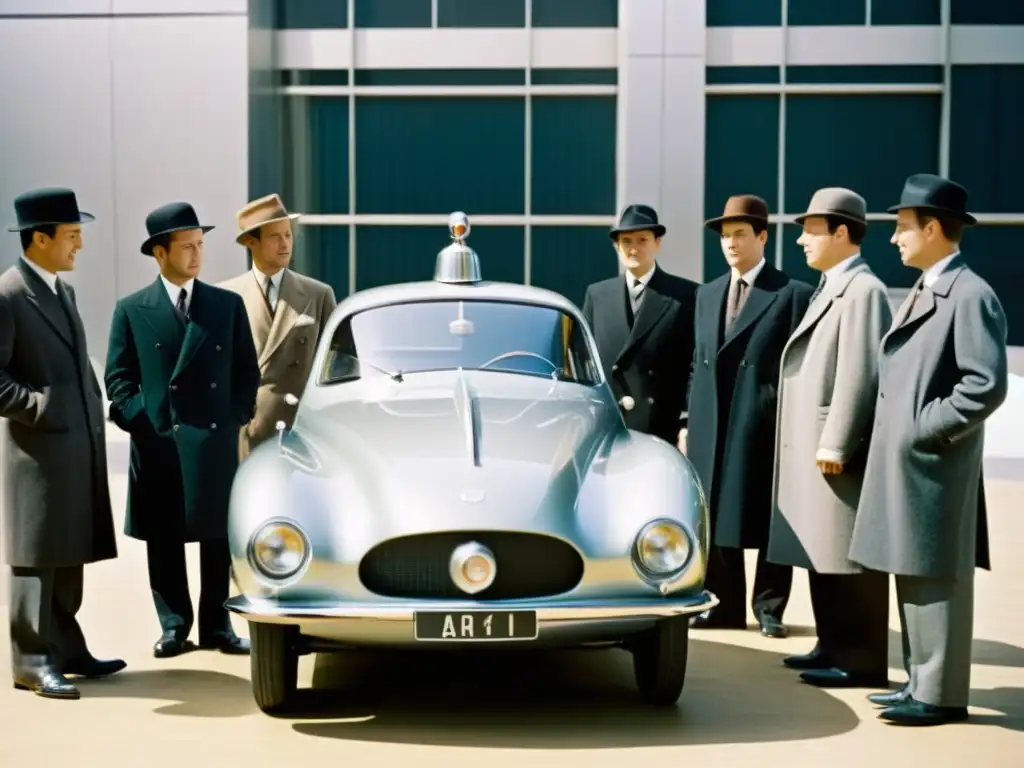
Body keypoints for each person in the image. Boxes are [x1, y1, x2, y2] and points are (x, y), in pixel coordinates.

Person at [849, 173, 1007, 726]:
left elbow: (984, 383)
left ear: (933, 228)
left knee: (936, 577)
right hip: (914, 466)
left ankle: (940, 695)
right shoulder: (929, 287)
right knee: (912, 570)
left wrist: (922, 429)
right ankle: (920, 682)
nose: (893, 238)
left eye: (902, 228)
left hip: (934, 464)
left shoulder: (970, 294)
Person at [104, 202, 260, 658]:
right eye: (187, 247)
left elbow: (246, 372)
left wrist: (235, 415)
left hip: (213, 437)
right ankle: (174, 625)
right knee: (164, 535)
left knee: (216, 537)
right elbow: (119, 378)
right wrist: (144, 421)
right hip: (158, 441)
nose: (197, 255)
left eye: (201, 245)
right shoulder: (132, 308)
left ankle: (218, 625)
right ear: (159, 252)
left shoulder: (225, 305)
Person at [0, 187, 123, 699]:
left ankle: (67, 648)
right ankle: (31, 661)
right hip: (37, 452)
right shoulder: (8, 294)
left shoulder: (60, 290)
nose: (79, 246)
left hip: (74, 447)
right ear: (40, 238)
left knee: (67, 551)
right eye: (72, 235)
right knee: (36, 559)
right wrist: (40, 408)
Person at [766, 188, 892, 688]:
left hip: (833, 450)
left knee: (844, 555)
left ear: (841, 232)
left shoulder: (864, 291)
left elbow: (861, 372)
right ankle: (831, 642)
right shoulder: (832, 285)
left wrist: (837, 442)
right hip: (815, 447)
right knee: (823, 550)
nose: (800, 240)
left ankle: (858, 657)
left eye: (810, 230)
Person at [685, 194, 814, 638]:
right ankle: (723, 605)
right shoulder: (705, 295)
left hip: (764, 423)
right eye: (725, 236)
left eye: (740, 233)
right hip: (711, 422)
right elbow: (697, 361)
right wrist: (689, 419)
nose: (731, 243)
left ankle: (770, 608)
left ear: (762, 236)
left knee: (769, 514)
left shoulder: (792, 293)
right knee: (716, 512)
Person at [218, 193, 337, 460]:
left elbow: (338, 366)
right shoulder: (224, 298)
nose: (285, 244)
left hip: (302, 431)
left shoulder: (318, 295)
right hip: (245, 434)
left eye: (288, 235)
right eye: (275, 236)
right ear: (251, 242)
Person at [581, 204, 698, 445]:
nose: (634, 248)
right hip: (608, 425)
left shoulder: (686, 296)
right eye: (626, 241)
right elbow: (584, 362)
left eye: (643, 240)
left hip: (662, 429)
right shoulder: (597, 295)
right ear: (617, 246)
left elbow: (694, 366)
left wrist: (686, 421)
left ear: (657, 243)